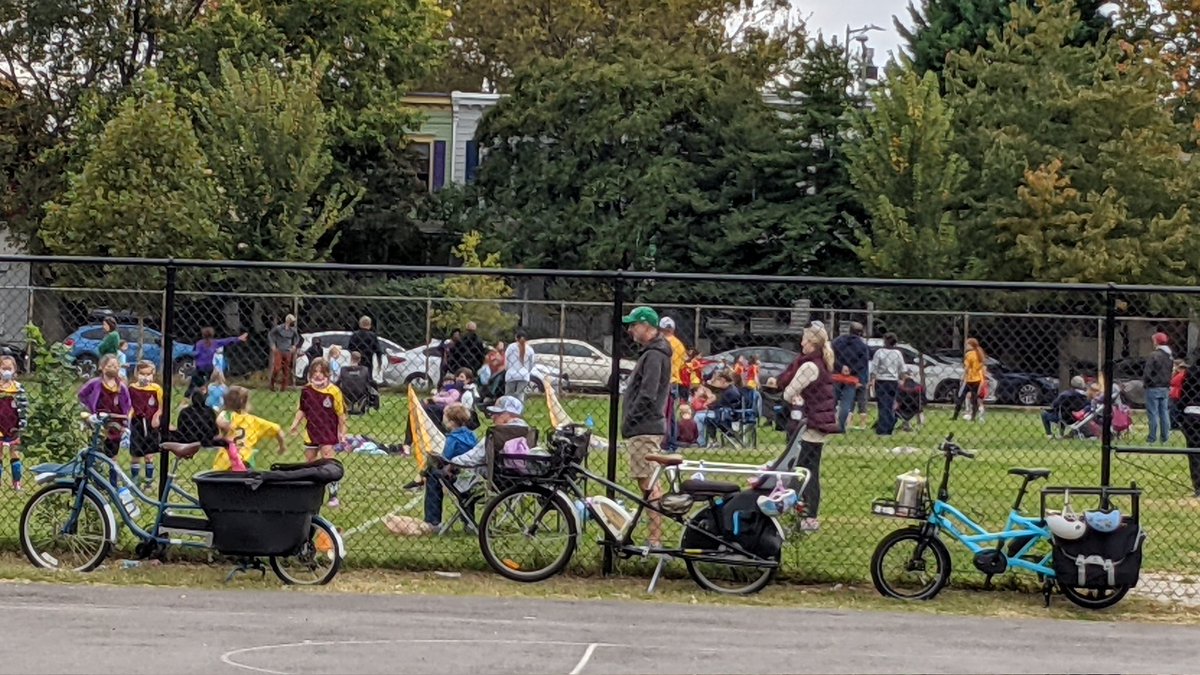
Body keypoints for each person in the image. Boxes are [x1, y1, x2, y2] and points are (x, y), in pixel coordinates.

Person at [620, 306, 672, 548]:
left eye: (634, 325)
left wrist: (631, 417)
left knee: (648, 482)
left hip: (644, 425)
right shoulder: (653, 353)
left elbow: (648, 394)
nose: (630, 329)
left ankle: (655, 538)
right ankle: (653, 535)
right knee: (646, 480)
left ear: (648, 327)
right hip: (644, 425)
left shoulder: (654, 355)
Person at [781, 324, 840, 532]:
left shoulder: (809, 366)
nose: (801, 343)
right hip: (818, 425)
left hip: (808, 425)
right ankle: (807, 514)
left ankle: (807, 514)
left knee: (803, 471)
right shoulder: (822, 363)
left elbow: (789, 393)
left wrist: (794, 396)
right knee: (811, 470)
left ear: (812, 343)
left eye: (804, 340)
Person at [289, 358, 347, 507]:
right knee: (310, 462)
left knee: (328, 461)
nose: (318, 375)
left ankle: (333, 495)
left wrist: (342, 432)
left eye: (321, 371)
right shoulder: (307, 390)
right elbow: (302, 409)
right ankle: (310, 491)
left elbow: (341, 414)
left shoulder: (334, 391)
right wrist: (295, 424)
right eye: (315, 371)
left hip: (328, 432)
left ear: (327, 373)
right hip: (311, 431)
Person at [422, 403, 478, 528]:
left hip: (456, 474)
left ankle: (433, 520)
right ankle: (468, 521)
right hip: (472, 475)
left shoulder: (453, 439)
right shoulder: (472, 435)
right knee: (466, 493)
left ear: (451, 422)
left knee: (432, 474)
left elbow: (446, 458)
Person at [78, 354, 132, 482]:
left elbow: (127, 405)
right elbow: (81, 395)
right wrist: (88, 412)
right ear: (101, 367)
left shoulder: (121, 387)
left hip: (116, 424)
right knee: (96, 452)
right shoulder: (95, 383)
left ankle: (113, 483)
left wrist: (125, 424)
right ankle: (94, 480)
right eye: (109, 366)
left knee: (113, 455)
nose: (112, 368)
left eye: (115, 366)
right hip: (98, 422)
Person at [216, 386, 286, 472]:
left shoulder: (227, 415)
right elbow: (277, 429)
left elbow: (219, 420)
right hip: (245, 460)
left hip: (226, 460)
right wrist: (282, 446)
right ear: (245, 403)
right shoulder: (254, 421)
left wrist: (225, 428)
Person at [128, 361, 164, 490]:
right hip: (137, 422)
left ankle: (149, 482)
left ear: (153, 375)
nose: (145, 377)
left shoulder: (156, 389)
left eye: (148, 374)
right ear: (136, 374)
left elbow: (161, 407)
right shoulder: (132, 388)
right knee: (135, 454)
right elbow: (130, 405)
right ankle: (135, 480)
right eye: (142, 374)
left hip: (150, 424)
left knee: (149, 455)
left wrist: (156, 416)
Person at [832, 322, 870, 432]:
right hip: (851, 378)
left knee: (832, 400)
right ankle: (841, 426)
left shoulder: (838, 342)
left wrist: (840, 366)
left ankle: (830, 422)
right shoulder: (862, 346)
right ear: (860, 333)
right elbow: (863, 364)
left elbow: (831, 356)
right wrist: (852, 370)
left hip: (837, 375)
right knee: (846, 402)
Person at [190, 327, 248, 397]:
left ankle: (188, 397)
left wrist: (195, 360)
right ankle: (207, 395)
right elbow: (227, 341)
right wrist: (238, 338)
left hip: (200, 368)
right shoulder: (215, 343)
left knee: (193, 384)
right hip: (210, 368)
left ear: (202, 335)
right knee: (210, 384)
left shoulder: (199, 343)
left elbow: (195, 354)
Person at [659, 317, 687, 451]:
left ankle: (667, 443)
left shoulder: (662, 343)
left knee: (664, 413)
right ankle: (672, 442)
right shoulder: (679, 344)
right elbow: (682, 364)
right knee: (671, 414)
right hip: (675, 380)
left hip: (665, 380)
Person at [0, 356, 28, 490]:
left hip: (13, 425)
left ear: (14, 370)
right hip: (0, 425)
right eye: (3, 368)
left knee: (15, 452)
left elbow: (24, 407)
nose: (6, 371)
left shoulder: (18, 387)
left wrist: (22, 425)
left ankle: (16, 482)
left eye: (9, 368)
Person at [869, 333, 904, 436]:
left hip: (881, 381)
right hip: (893, 381)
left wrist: (872, 380)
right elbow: (902, 368)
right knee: (890, 404)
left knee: (882, 405)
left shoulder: (879, 352)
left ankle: (883, 428)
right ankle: (889, 424)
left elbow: (874, 368)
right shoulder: (898, 353)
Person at [1174, 361, 1200, 497]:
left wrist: (1181, 413)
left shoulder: (1191, 372)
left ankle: (1198, 486)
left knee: (1194, 452)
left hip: (1191, 413)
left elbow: (1184, 393)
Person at [696, 371, 742, 447]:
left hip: (725, 416)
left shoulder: (730, 392)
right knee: (700, 415)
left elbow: (718, 404)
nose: (714, 383)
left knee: (698, 417)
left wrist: (709, 405)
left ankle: (701, 443)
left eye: (715, 381)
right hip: (721, 413)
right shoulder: (727, 389)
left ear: (722, 381)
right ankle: (711, 440)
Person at [1144, 332, 1174, 444]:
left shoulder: (1154, 355)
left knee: (1153, 413)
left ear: (1156, 341)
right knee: (1164, 413)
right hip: (1165, 387)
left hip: (1153, 387)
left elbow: (1147, 372)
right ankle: (1165, 437)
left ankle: (1152, 438)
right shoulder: (1169, 356)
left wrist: (1147, 383)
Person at [952, 338, 988, 421]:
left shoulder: (969, 354)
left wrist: (964, 376)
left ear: (971, 345)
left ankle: (955, 416)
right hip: (977, 380)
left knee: (961, 397)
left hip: (969, 379)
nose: (966, 346)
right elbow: (981, 365)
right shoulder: (979, 353)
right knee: (974, 399)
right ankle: (973, 417)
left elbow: (967, 367)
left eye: (967, 344)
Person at [269, 314, 302, 392]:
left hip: (288, 351)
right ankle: (272, 383)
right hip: (279, 350)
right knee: (277, 368)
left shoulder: (293, 330)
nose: (293, 323)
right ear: (288, 320)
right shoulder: (279, 328)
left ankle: (283, 388)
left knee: (286, 370)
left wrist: (294, 345)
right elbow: (270, 335)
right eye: (292, 321)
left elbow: (297, 338)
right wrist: (272, 345)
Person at [503, 330, 537, 403]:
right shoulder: (530, 349)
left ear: (516, 338)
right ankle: (519, 410)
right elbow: (532, 363)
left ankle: (508, 410)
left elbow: (506, 359)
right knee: (520, 395)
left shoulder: (511, 347)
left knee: (509, 395)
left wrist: (507, 370)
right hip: (523, 375)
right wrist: (527, 371)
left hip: (511, 374)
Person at [348, 316, 381, 383]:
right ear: (370, 325)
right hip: (368, 360)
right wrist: (379, 361)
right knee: (368, 377)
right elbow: (378, 350)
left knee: (356, 377)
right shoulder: (372, 336)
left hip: (356, 360)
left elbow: (350, 348)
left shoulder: (355, 335)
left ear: (360, 324)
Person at [896, 367, 926, 432]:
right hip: (916, 408)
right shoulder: (919, 386)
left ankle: (906, 424)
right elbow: (924, 400)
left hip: (902, 408)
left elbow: (898, 399)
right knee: (920, 410)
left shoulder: (900, 387)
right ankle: (921, 424)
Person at [1172, 360, 1188, 430]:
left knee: (1175, 410)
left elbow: (1172, 382)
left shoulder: (1180, 375)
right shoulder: (1183, 375)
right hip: (1178, 393)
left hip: (1177, 393)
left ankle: (1175, 423)